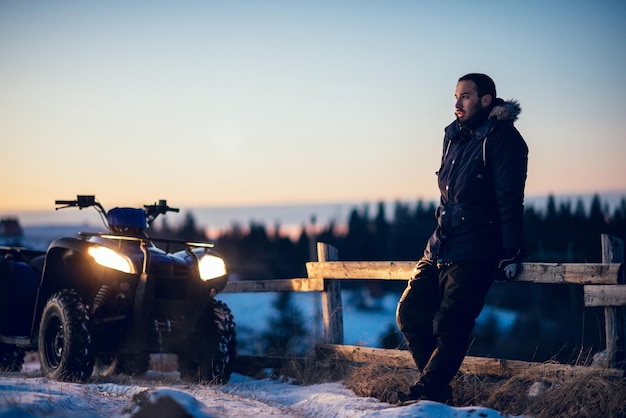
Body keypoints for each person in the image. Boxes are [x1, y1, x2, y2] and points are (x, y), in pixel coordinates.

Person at [396, 73, 528, 404]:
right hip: (440, 244)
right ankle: (437, 389)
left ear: (486, 100)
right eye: (456, 96)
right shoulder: (454, 137)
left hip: (476, 248)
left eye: (465, 96)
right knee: (409, 312)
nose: (457, 103)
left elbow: (509, 198)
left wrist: (511, 250)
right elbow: (448, 198)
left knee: (451, 324)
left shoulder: (503, 139)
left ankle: (426, 394)